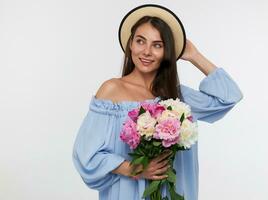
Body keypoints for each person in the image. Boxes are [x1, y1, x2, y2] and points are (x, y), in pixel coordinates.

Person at [72, 4, 243, 200]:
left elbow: (229, 97)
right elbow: (86, 153)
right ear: (130, 44)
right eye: (140, 41)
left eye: (157, 45)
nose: (146, 52)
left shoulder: (177, 97)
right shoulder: (112, 91)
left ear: (166, 51)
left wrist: (194, 56)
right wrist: (135, 169)